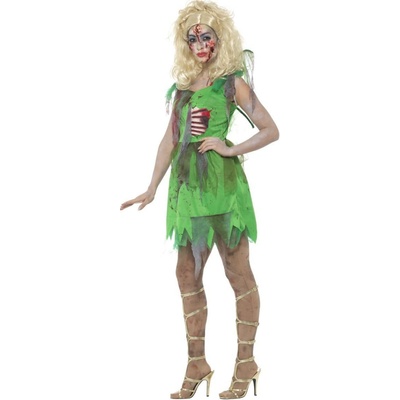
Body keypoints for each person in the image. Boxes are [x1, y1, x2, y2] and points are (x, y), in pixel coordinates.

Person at [120, 1, 279, 398]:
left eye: (206, 36)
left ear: (219, 38)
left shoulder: (232, 83)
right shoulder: (183, 89)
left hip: (223, 190)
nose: (199, 44)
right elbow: (170, 140)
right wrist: (152, 187)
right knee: (186, 274)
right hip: (188, 192)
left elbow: (270, 129)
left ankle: (246, 363)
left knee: (237, 272)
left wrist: (229, 148)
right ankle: (197, 363)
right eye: (192, 38)